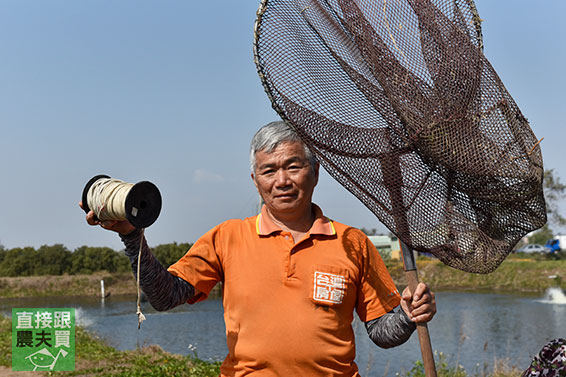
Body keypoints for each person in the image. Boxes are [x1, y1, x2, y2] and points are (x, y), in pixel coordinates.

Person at [80, 121, 436, 376]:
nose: (281, 180)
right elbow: (164, 296)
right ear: (256, 181)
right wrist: (131, 235)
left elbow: (380, 332)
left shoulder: (351, 242)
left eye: (293, 166)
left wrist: (406, 315)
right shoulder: (228, 237)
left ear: (315, 172)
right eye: (269, 170)